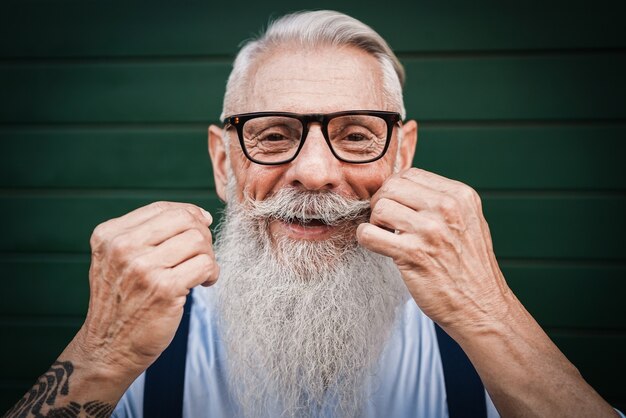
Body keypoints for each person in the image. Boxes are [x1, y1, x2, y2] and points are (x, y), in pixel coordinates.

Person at [4, 10, 622, 418]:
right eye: (273, 135)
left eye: (356, 135)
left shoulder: (477, 346)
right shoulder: (149, 342)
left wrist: (488, 313)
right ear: (224, 163)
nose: (316, 172)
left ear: (402, 154)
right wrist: (104, 353)